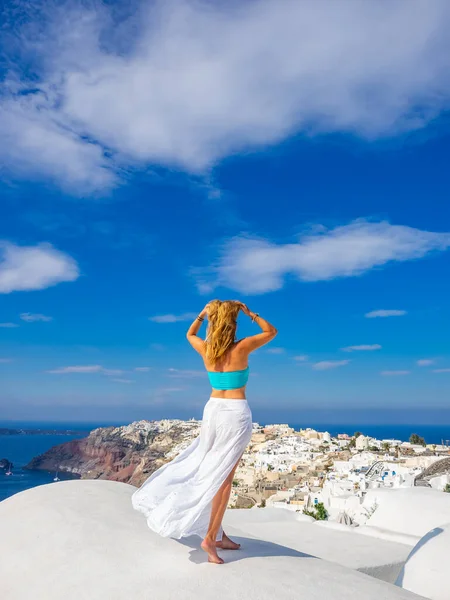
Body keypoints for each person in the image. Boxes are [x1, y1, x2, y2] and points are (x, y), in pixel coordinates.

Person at [132, 300, 277, 564]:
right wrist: (249, 312)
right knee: (224, 478)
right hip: (234, 413)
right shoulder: (241, 347)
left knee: (209, 467)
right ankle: (210, 538)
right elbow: (271, 332)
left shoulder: (207, 350)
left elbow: (189, 334)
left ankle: (219, 535)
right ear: (233, 322)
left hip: (212, 411)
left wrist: (202, 313)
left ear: (213, 322)